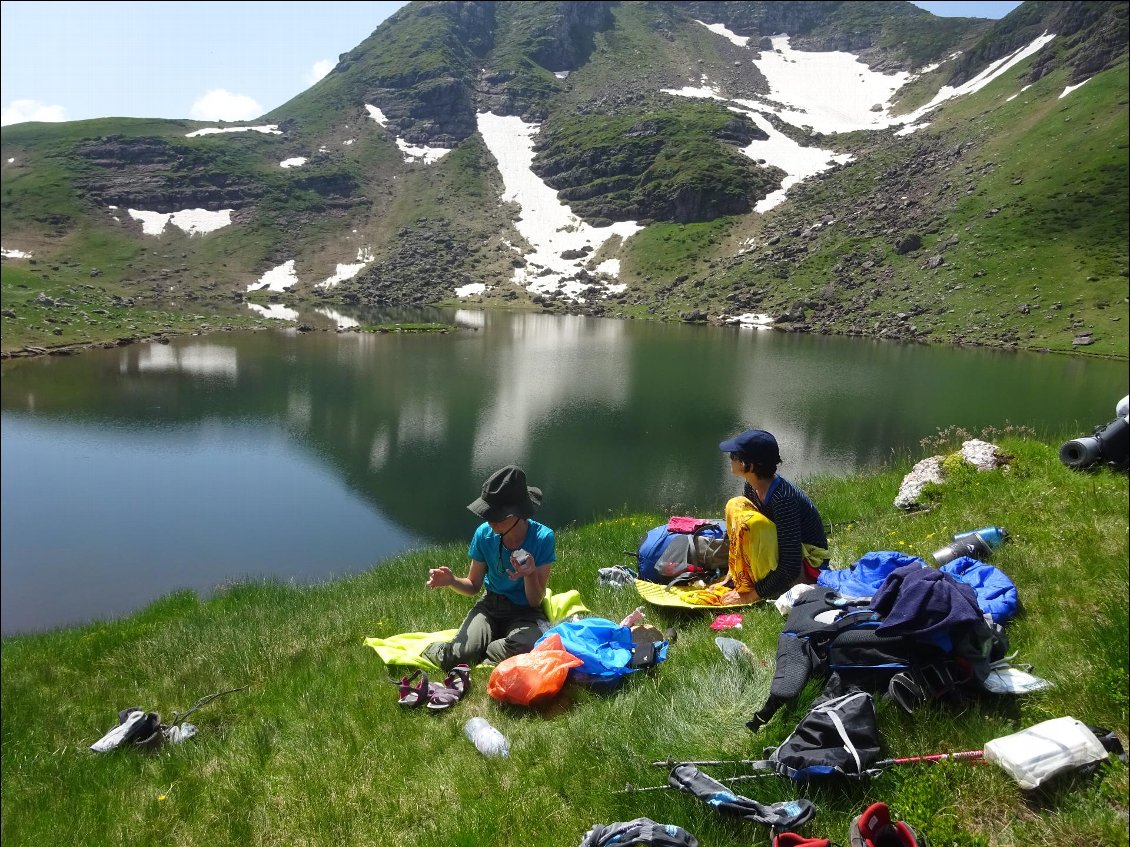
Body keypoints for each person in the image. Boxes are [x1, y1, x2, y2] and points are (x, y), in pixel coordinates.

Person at [423, 465, 556, 671]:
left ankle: (485, 650)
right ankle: (444, 650)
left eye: (496, 516)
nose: (489, 521)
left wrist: (529, 574)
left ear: (516, 514)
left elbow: (535, 600)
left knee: (529, 647)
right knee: (459, 656)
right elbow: (473, 585)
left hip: (525, 612)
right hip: (490, 606)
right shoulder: (484, 534)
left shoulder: (542, 538)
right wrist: (451, 581)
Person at [714, 429, 829, 603]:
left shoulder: (783, 499)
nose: (731, 458)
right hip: (786, 554)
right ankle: (747, 578)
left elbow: (790, 565)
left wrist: (750, 596)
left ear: (749, 466)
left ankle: (762, 587)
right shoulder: (751, 487)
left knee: (753, 522)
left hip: (807, 565)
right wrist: (733, 573)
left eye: (735, 455)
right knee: (735, 505)